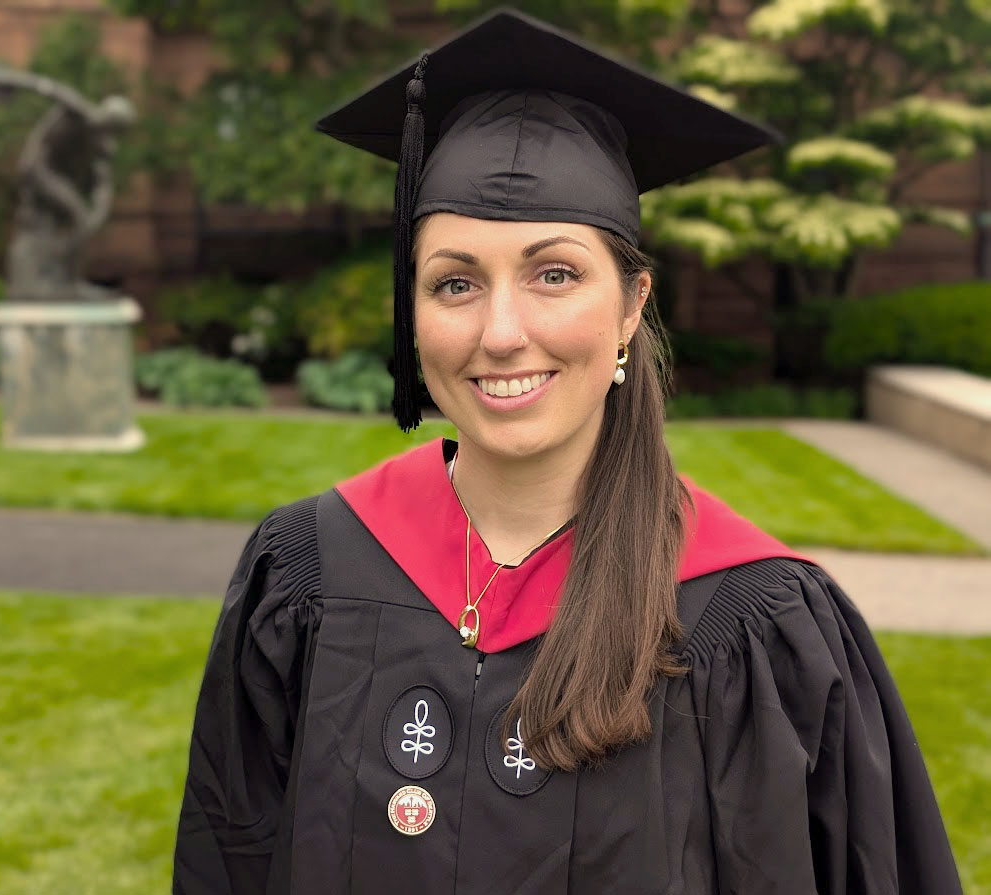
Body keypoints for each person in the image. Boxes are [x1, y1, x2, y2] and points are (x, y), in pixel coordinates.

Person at [172, 10, 962, 894]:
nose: (500, 332)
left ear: (630, 306)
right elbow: (225, 859)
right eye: (455, 282)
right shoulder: (306, 575)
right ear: (414, 310)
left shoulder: (752, 619)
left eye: (554, 273)